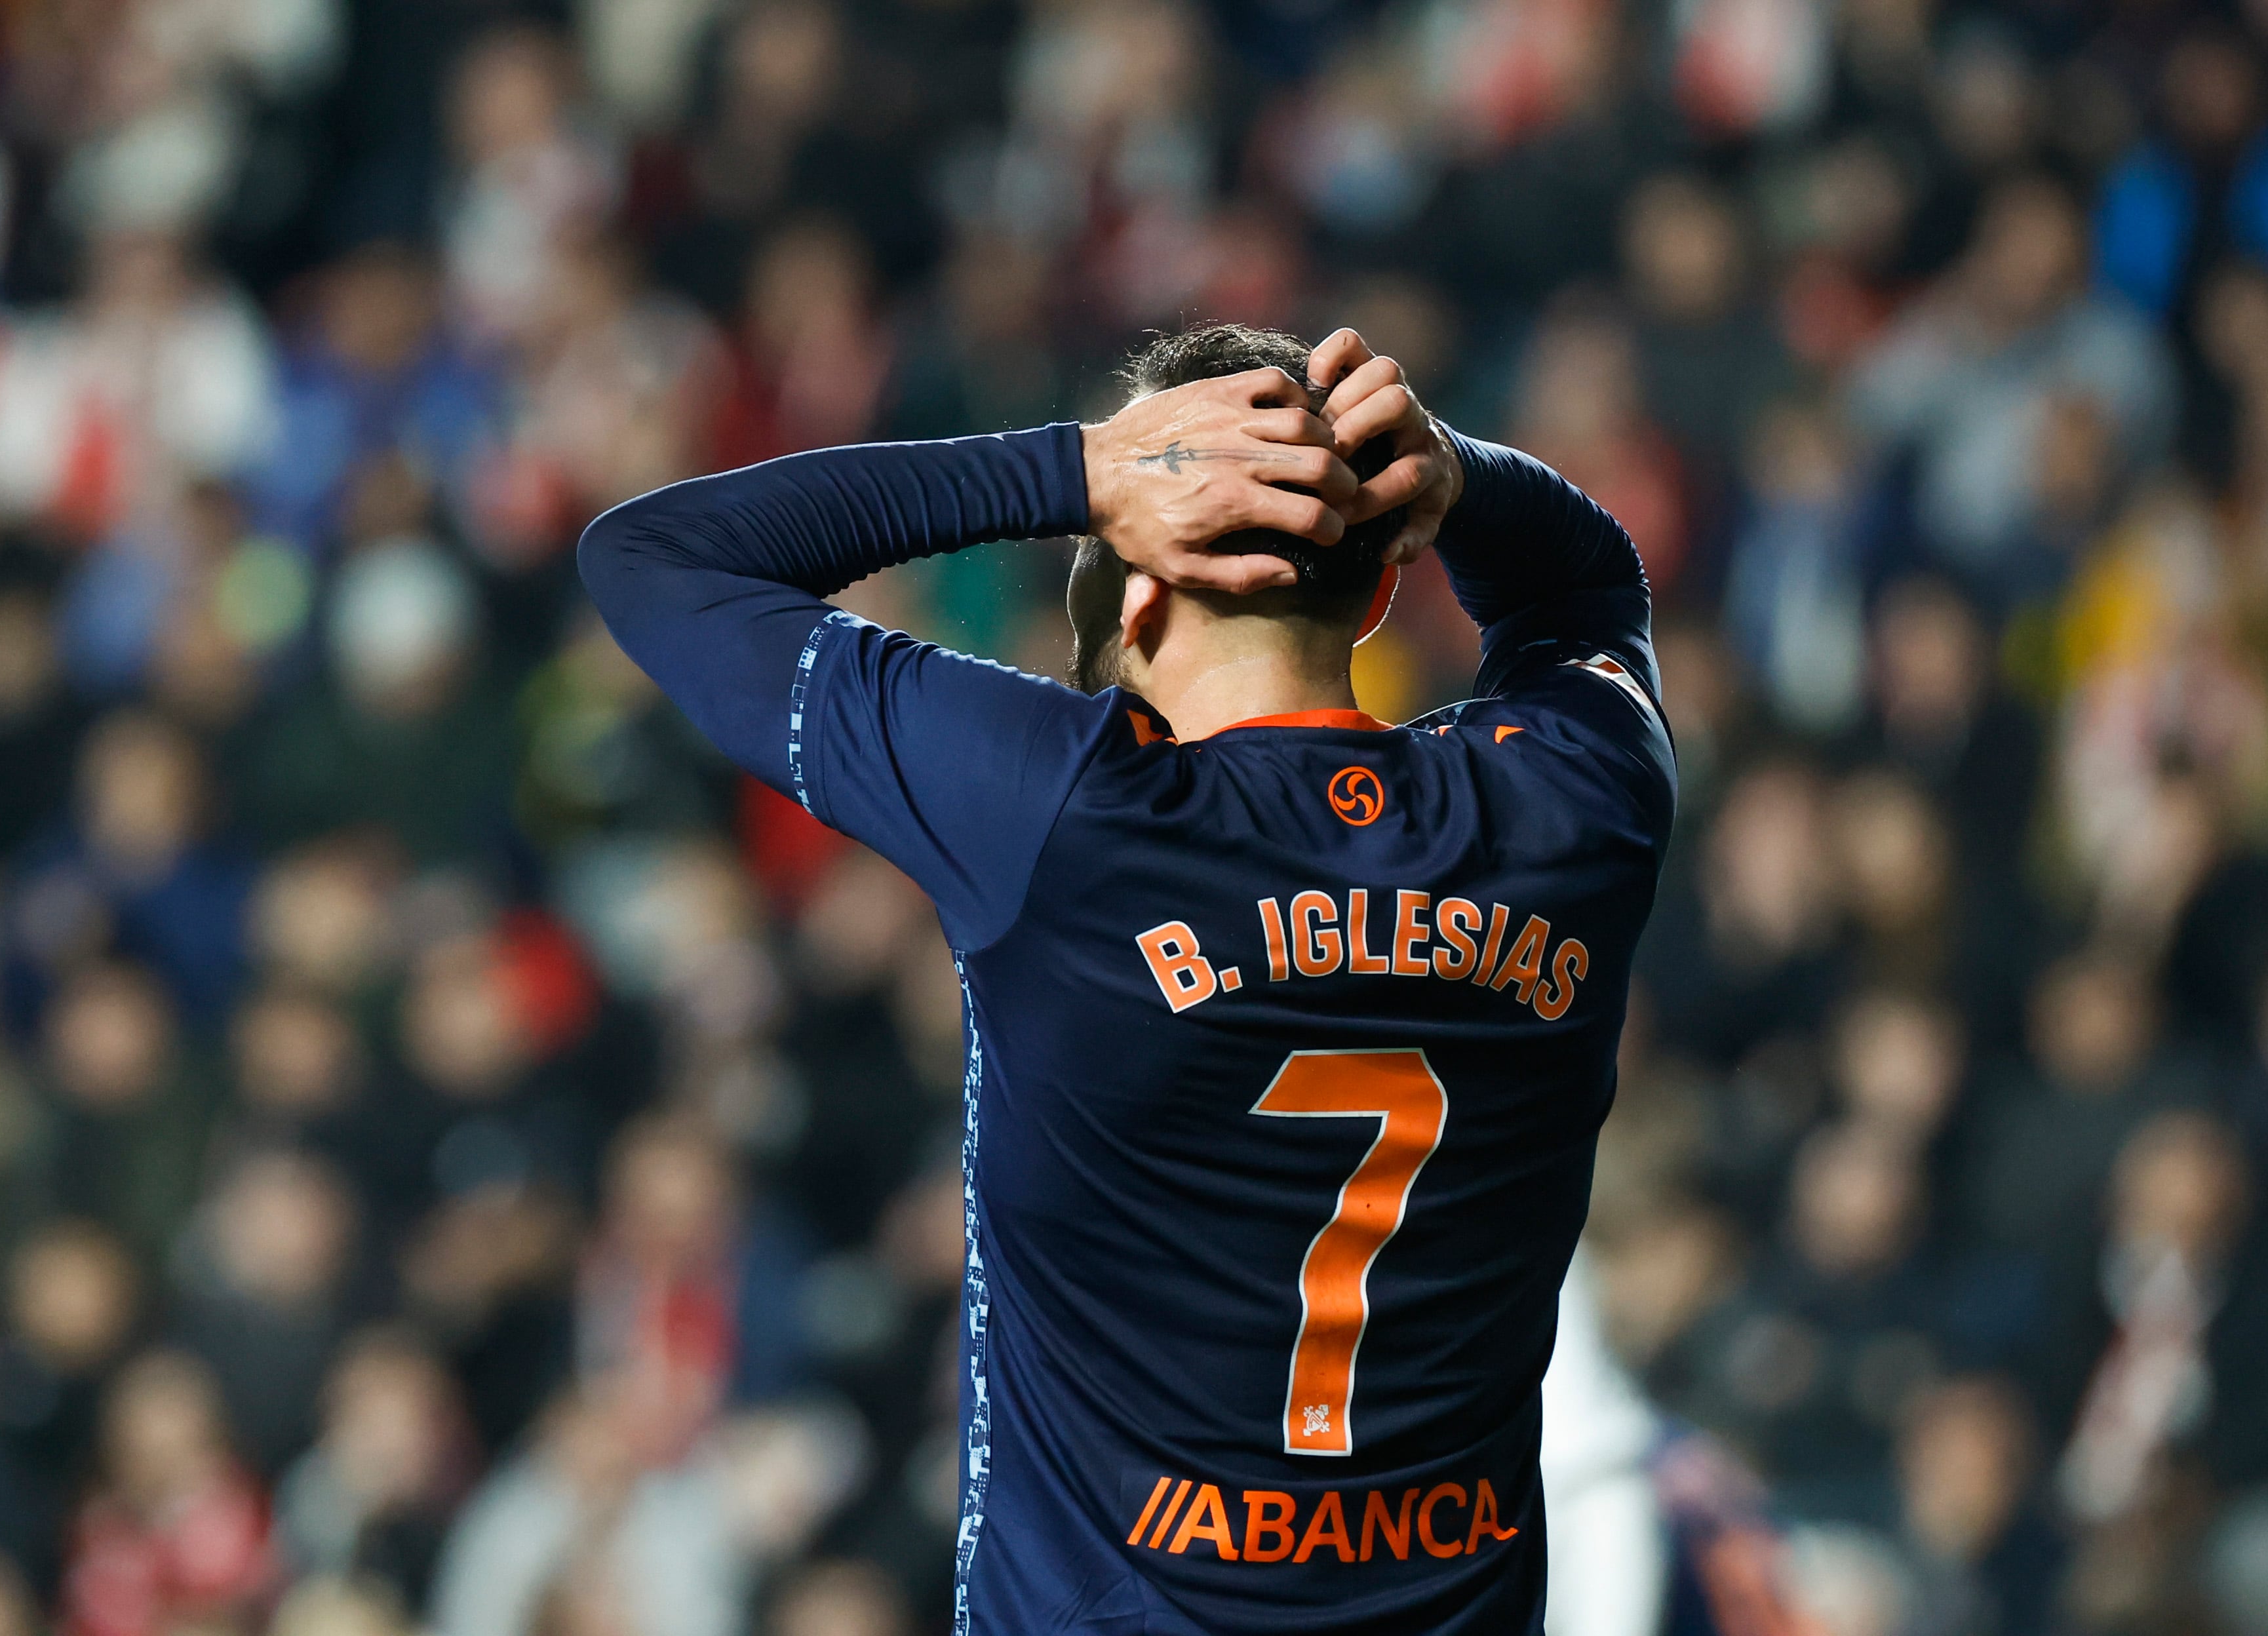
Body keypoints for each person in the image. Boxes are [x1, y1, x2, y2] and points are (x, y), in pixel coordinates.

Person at [579, 322, 1675, 1631]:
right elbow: (1592, 596)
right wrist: (1462, 477)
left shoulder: (1063, 814)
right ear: (1382, 589)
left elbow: (648, 558)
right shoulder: (1565, 808)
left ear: (1138, 581)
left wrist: (1077, 470)